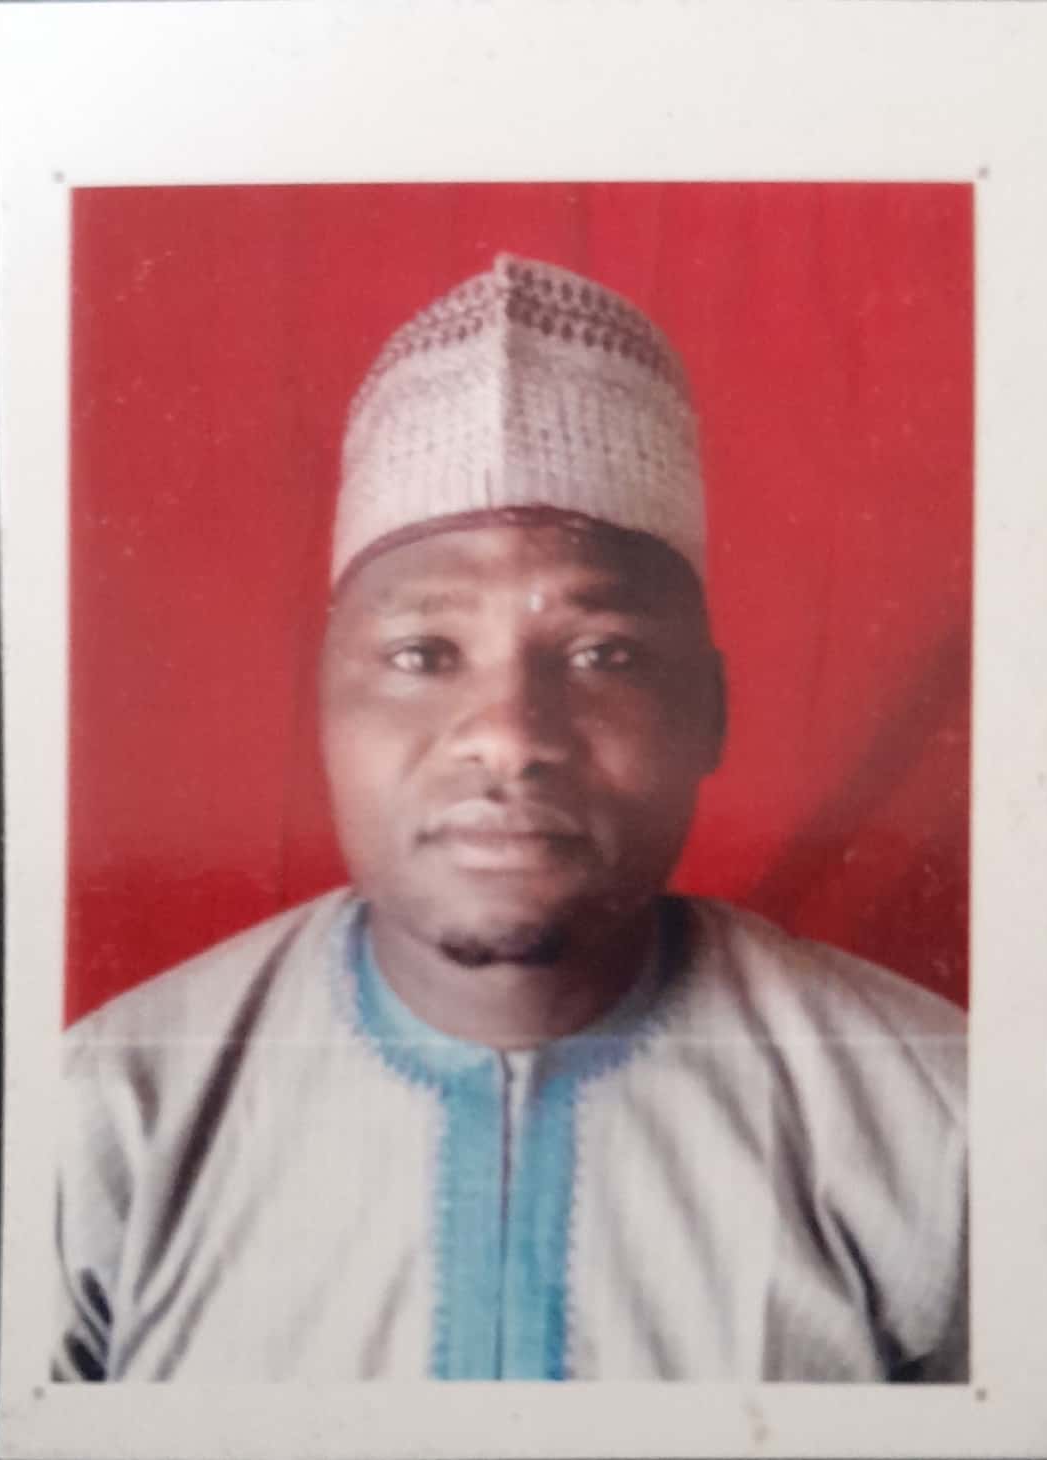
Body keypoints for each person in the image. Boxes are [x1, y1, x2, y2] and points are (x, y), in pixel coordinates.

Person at [55, 253, 967, 1383]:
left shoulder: (941, 1122)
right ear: (319, 707)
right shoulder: (106, 1117)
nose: (510, 733)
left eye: (603, 654)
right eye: (423, 653)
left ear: (712, 712)